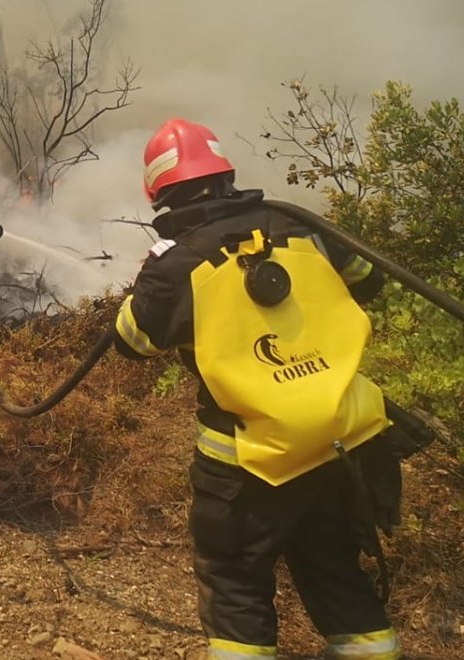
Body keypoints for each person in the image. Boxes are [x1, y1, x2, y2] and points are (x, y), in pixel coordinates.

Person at [114, 118, 401, 659]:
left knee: (237, 588)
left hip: (249, 464)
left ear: (160, 192)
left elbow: (133, 342)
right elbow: (369, 279)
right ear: (225, 173)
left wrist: (149, 284)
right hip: (341, 441)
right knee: (336, 568)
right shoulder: (300, 227)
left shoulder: (176, 262)